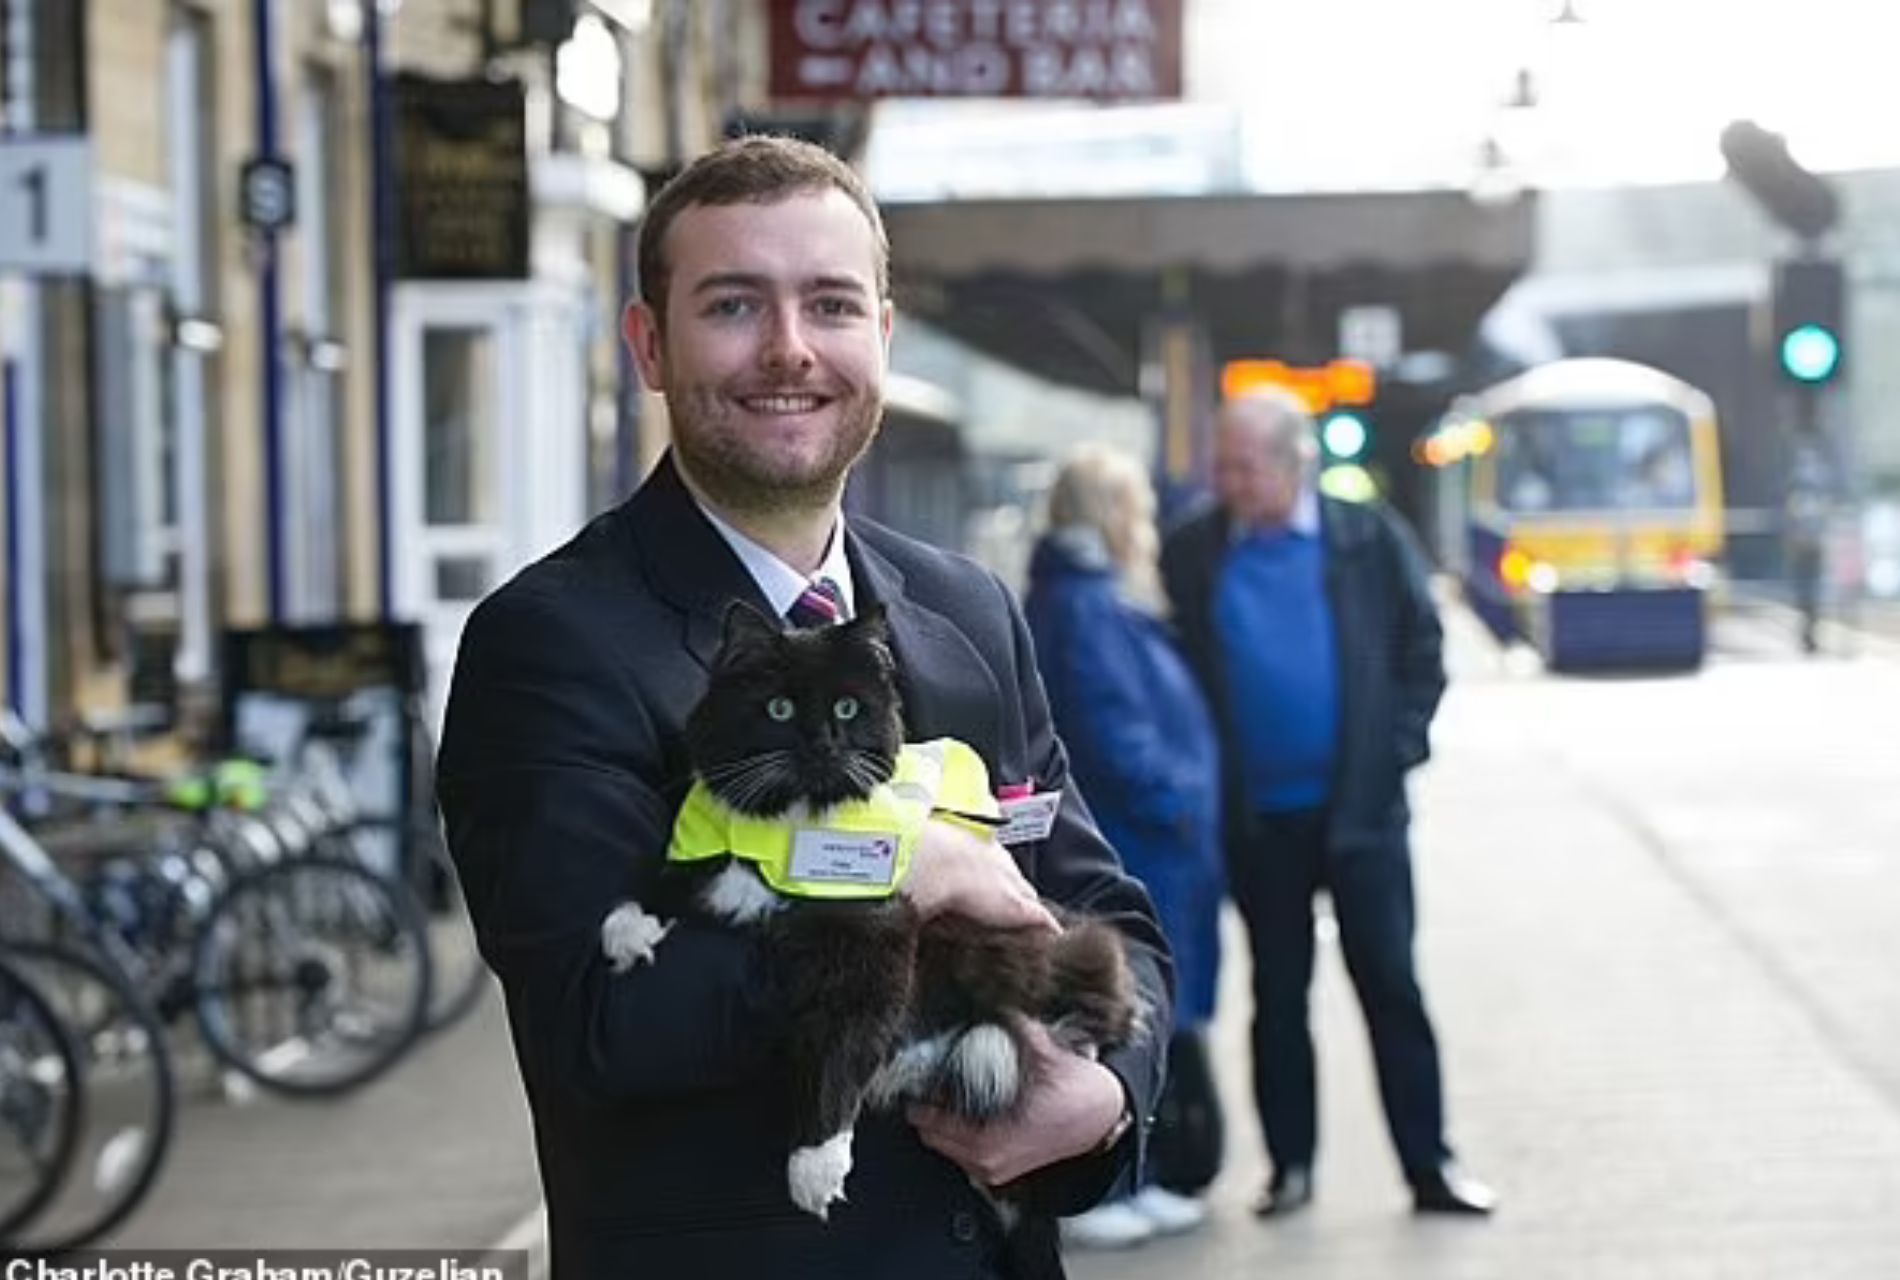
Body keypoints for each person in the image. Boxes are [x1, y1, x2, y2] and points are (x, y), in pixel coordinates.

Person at [433, 135, 1171, 1280]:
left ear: (881, 332)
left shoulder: (968, 607)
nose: (788, 350)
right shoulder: (552, 644)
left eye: (829, 304)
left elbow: (1103, 908)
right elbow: (595, 1018)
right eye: (733, 304)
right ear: (649, 344)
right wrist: (893, 868)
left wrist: (1107, 1100)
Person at [1159, 389, 1494, 1219]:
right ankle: (1291, 1168)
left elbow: (1424, 647)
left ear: (1296, 461)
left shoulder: (1366, 536)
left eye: (1246, 466)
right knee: (1277, 997)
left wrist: (1397, 752)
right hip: (1259, 824)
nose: (1230, 483)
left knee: (1391, 985)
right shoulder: (1194, 551)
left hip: (1361, 817)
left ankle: (1430, 1166)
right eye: (1223, 466)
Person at [1022, 446, 1225, 1250]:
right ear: (1111, 512)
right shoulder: (1086, 604)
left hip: (1152, 837)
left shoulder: (1083, 596)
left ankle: (1129, 1179)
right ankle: (1108, 1189)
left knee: (1134, 1005)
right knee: (1123, 1005)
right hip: (1139, 840)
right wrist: (1177, 800)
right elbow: (1113, 725)